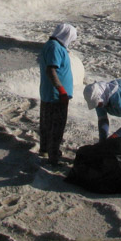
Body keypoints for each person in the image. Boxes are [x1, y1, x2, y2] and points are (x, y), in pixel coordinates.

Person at [38, 23, 76, 166]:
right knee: (56, 126)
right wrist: (62, 90)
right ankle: (53, 157)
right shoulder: (55, 47)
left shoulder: (53, 45)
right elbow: (51, 70)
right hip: (56, 95)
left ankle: (45, 150)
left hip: (50, 93)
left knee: (46, 123)